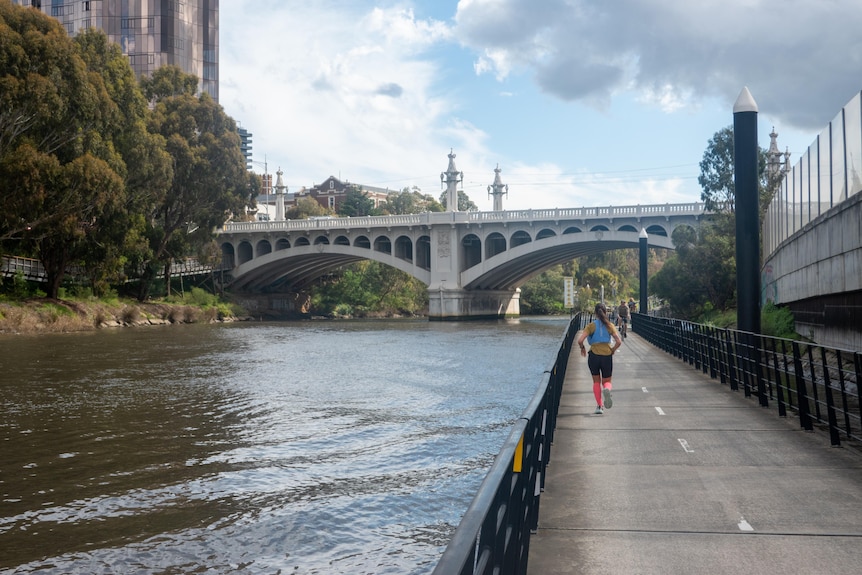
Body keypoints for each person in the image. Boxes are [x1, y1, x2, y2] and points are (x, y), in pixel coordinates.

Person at [577, 303, 623, 414]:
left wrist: (582, 348)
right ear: (605, 312)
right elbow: (618, 341)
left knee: (596, 381)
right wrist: (612, 350)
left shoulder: (591, 326)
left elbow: (580, 340)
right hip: (606, 356)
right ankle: (607, 389)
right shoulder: (610, 326)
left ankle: (599, 406)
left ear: (595, 313)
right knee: (607, 381)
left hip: (593, 356)